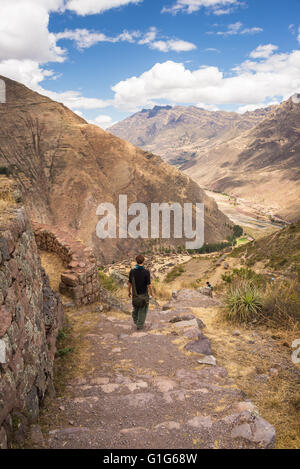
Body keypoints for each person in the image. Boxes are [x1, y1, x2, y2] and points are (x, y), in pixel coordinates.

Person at [128, 255, 154, 330]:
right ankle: (139, 326)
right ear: (143, 261)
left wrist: (129, 291)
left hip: (135, 295)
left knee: (135, 309)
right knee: (143, 310)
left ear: (136, 261)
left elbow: (129, 283)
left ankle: (136, 321)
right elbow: (149, 285)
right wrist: (152, 293)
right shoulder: (146, 272)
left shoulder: (132, 271)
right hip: (144, 295)